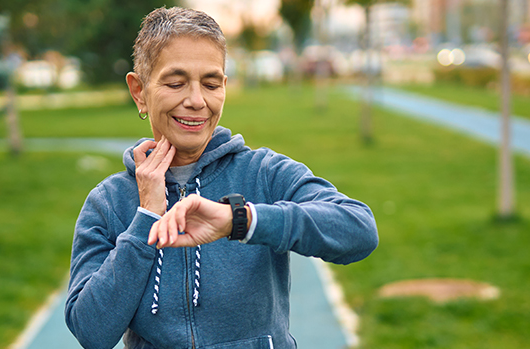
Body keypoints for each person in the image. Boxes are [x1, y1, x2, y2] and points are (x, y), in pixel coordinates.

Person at [65, 7, 378, 349]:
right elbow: (91, 333)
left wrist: (240, 220)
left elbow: (358, 229)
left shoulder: (264, 173)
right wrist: (145, 221)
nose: (197, 101)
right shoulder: (108, 202)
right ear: (139, 91)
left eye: (211, 84)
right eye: (175, 83)